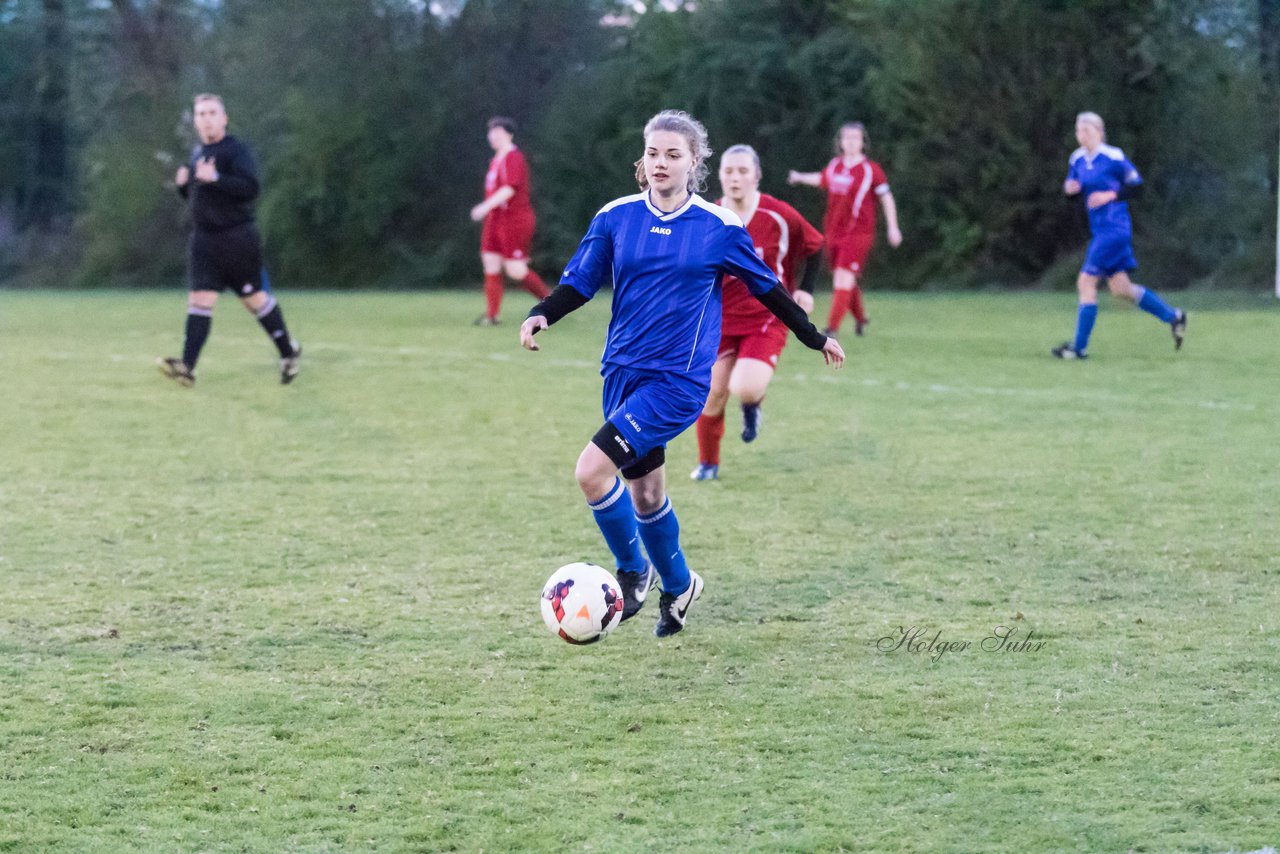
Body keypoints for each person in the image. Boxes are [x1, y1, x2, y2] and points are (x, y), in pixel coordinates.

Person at [519, 110, 845, 637]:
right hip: (622, 373)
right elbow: (581, 281)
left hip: (678, 382)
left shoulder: (718, 227)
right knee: (645, 494)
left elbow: (768, 289)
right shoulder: (615, 216)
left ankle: (632, 573)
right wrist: (543, 313)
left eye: (674, 155)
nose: (662, 163)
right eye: (653, 154)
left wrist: (813, 335)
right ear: (642, 162)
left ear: (695, 163)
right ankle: (680, 586)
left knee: (591, 472)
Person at [690, 144, 825, 482]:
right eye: (728, 171)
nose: (735, 178)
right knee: (711, 396)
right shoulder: (708, 217)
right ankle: (708, 464)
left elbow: (816, 246)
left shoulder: (778, 214)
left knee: (745, 387)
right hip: (719, 320)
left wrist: (805, 289)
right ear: (719, 175)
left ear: (757, 176)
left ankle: (751, 406)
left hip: (767, 317)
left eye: (742, 171)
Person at [157, 93, 301, 386]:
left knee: (254, 300)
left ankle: (288, 353)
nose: (206, 118)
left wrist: (218, 178)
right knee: (199, 300)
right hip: (204, 241)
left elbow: (250, 188)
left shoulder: (236, 151)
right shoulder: (197, 153)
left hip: (236, 238)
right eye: (200, 114)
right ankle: (188, 367)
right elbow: (201, 198)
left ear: (224, 118)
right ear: (195, 121)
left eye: (211, 113)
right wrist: (184, 187)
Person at [1051, 112, 1186, 359]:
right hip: (1100, 229)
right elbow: (1072, 191)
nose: (1081, 135)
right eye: (1078, 130)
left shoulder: (1113, 157)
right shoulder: (1077, 159)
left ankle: (1078, 348)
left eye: (1087, 130)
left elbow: (1136, 186)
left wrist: (1109, 196)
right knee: (1121, 289)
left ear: (1100, 132)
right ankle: (1174, 317)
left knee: (1086, 282)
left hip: (1115, 228)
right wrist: (1070, 190)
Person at [788, 122, 901, 337]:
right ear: (840, 142)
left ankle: (831, 329)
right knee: (845, 279)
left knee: (842, 277)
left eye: (855, 137)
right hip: (833, 232)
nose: (850, 141)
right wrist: (800, 177)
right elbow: (822, 179)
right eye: (846, 137)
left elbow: (886, 198)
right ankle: (860, 319)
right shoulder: (835, 166)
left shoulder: (870, 170)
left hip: (859, 233)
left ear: (862, 142)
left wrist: (893, 227)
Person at [469, 117, 550, 326]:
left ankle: (552, 304)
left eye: (498, 132)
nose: (492, 136)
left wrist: (484, 207)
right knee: (490, 262)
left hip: (514, 219)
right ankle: (492, 315)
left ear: (509, 135)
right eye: (491, 132)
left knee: (515, 269)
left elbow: (509, 189)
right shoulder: (496, 160)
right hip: (496, 220)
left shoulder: (513, 157)